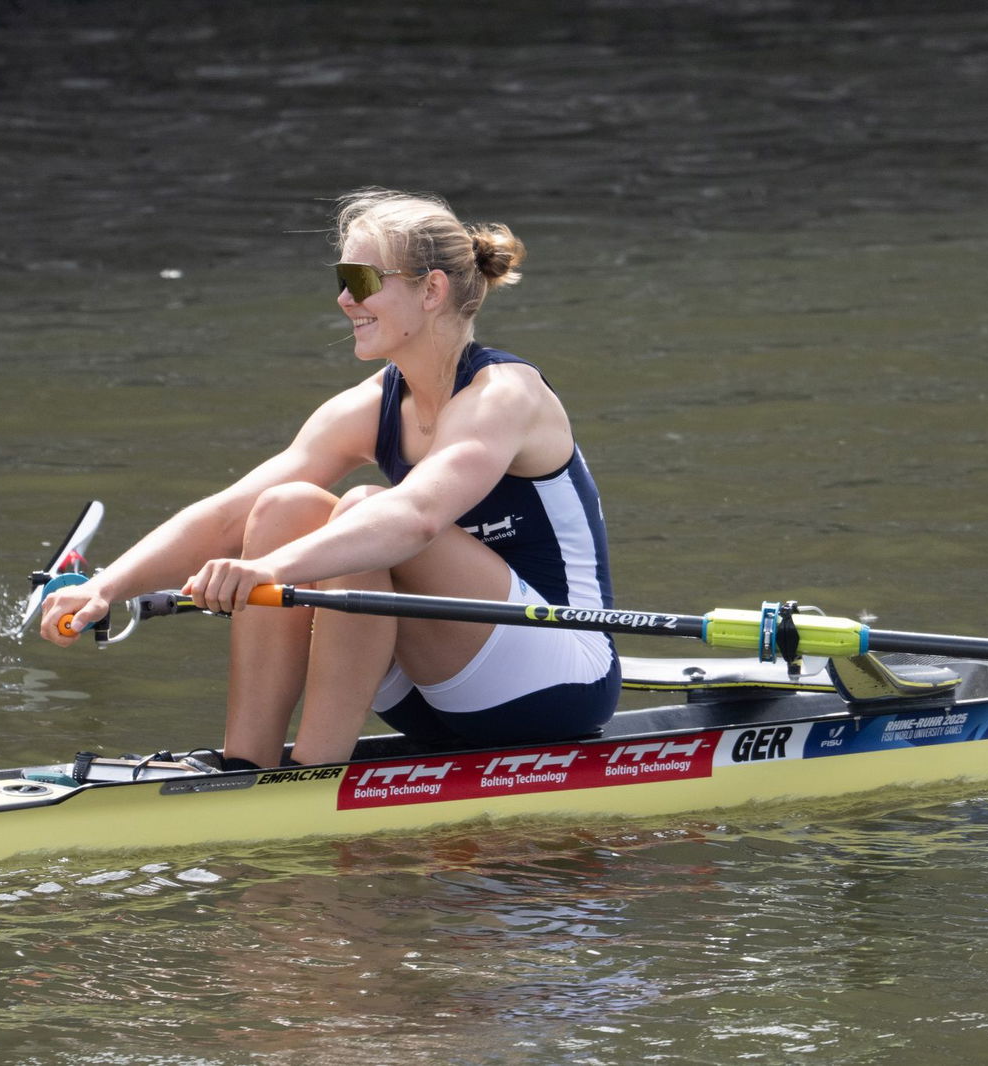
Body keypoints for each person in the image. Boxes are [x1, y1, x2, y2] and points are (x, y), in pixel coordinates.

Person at [40, 188, 620, 769]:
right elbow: (225, 516)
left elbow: (413, 518)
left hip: (555, 684)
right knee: (282, 506)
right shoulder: (369, 407)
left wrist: (269, 571)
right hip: (431, 692)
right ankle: (247, 764)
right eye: (342, 280)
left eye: (363, 279)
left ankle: (316, 771)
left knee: (366, 505)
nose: (345, 299)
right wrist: (105, 587)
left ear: (432, 290)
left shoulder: (504, 395)